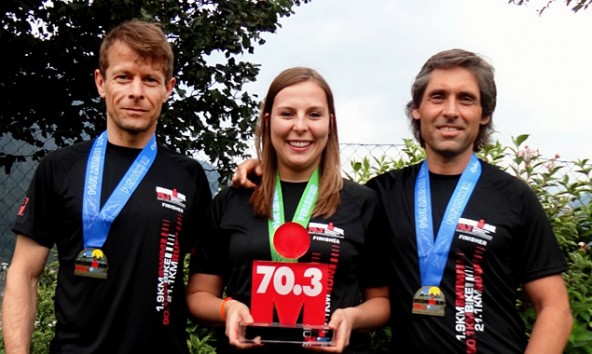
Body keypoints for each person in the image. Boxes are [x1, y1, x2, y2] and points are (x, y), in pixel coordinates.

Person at [232, 49, 573, 353]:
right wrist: (266, 166)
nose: (451, 111)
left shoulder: (513, 197)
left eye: (466, 99)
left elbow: (554, 309)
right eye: (438, 97)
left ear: (484, 114)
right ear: (416, 110)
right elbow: (313, 186)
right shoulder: (380, 194)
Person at [1, 19, 212, 353]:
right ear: (101, 82)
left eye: (150, 80)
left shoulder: (189, 176)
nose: (136, 92)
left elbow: (210, 272)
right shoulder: (59, 167)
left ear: (168, 88)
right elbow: (24, 274)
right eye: (123, 77)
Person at [186, 67, 390, 354]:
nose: (300, 126)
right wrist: (227, 308)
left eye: (314, 114)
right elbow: (198, 295)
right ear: (268, 122)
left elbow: (381, 302)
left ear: (330, 123)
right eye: (287, 113)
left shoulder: (363, 203)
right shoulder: (232, 200)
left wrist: (352, 317)